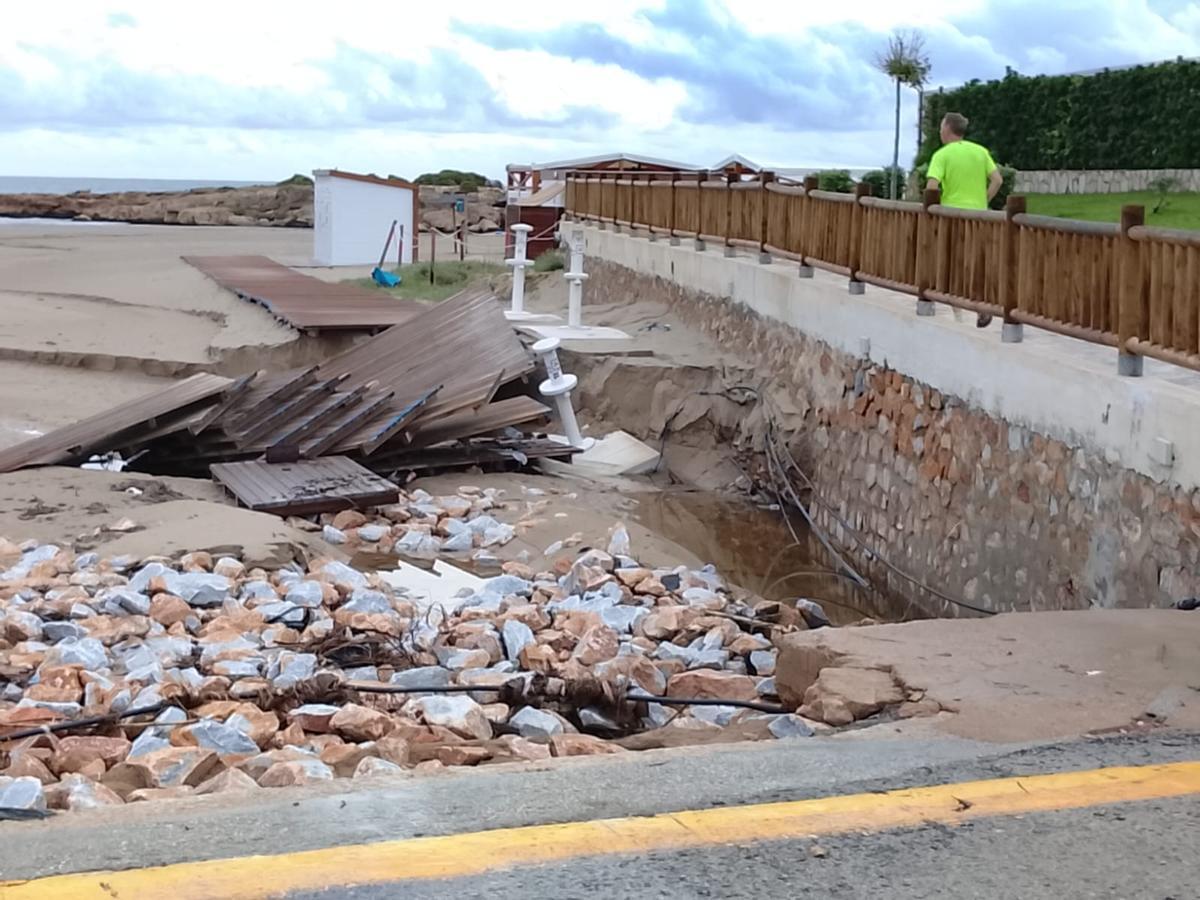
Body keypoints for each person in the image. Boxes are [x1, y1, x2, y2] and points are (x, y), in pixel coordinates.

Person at [926, 112, 1003, 327]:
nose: (940, 131)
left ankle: (958, 314)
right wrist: (983, 201)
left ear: (947, 129)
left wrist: (935, 207)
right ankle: (982, 306)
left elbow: (932, 186)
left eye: (941, 127)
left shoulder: (942, 155)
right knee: (976, 262)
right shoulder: (980, 151)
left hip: (952, 217)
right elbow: (997, 180)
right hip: (979, 216)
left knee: (951, 264)